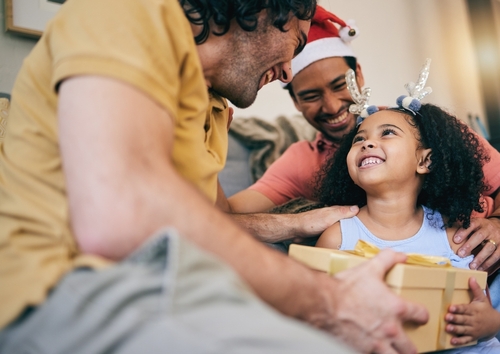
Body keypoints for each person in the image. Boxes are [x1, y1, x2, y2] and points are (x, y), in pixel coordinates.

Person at [0, 1, 431, 353]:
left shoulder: (214, 106)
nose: (287, 72)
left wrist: (295, 222)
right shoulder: (131, 10)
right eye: (294, 44)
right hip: (63, 285)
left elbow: (209, 224)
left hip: (174, 286)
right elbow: (122, 216)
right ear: (264, 9)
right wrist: (328, 302)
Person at [226, 5, 500, 272]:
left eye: (339, 85)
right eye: (310, 96)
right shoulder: (303, 161)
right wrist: (209, 151)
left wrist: (498, 223)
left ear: (358, 74)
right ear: (296, 102)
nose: (332, 106)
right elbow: (225, 216)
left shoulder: (430, 132)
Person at [315, 62, 500, 353]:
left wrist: (489, 323)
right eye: (359, 139)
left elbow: (484, 309)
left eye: (387, 133)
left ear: (425, 161)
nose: (367, 143)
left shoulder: (453, 235)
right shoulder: (337, 238)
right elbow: (314, 315)